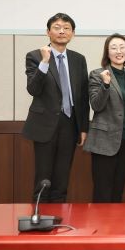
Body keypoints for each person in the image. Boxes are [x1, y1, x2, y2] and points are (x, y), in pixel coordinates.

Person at [22, 12, 89, 202]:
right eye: (57, 27)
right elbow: (33, 89)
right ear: (48, 32)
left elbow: (83, 96)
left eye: (66, 28)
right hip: (45, 124)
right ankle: (40, 215)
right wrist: (44, 62)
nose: (62, 31)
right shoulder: (35, 56)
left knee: (62, 178)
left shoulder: (78, 59)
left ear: (73, 33)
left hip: (70, 123)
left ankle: (59, 216)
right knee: (43, 179)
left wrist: (84, 127)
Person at [84, 33, 125, 202]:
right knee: (102, 192)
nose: (119, 51)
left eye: (122, 47)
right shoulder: (97, 74)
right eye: (114, 48)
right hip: (103, 141)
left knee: (118, 192)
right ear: (107, 52)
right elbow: (96, 105)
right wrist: (105, 84)